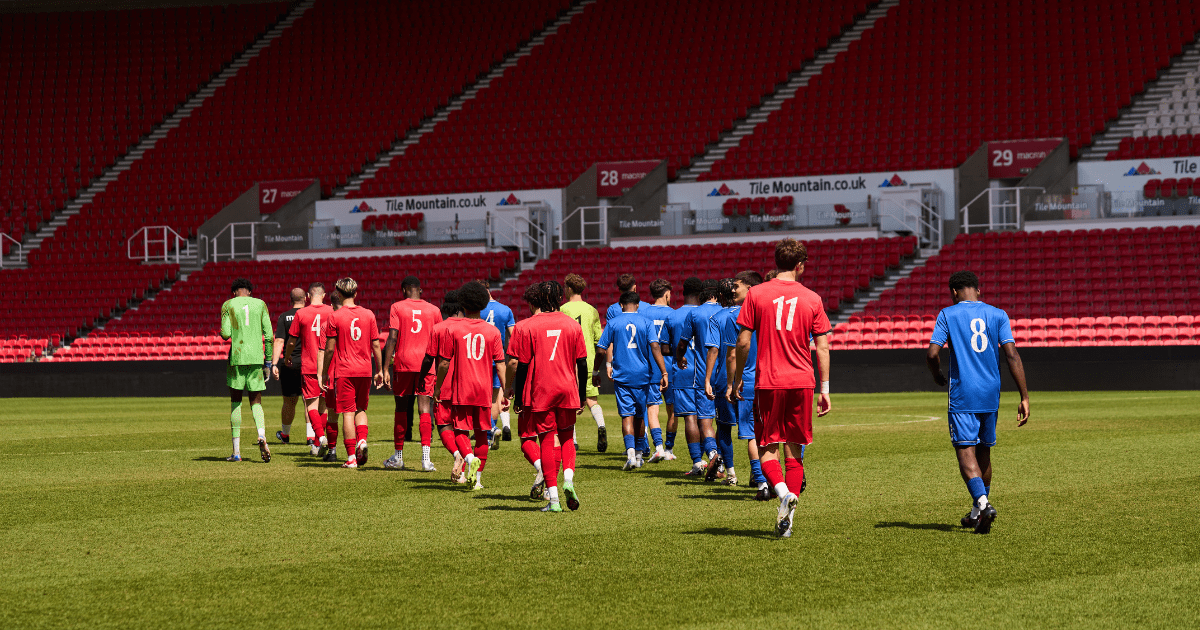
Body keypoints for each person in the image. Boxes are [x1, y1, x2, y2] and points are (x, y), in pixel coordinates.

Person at [732, 239, 832, 538]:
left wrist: (738, 377)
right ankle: (788, 513)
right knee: (795, 451)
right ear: (801, 265)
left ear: (775, 262)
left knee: (766, 448)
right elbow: (823, 347)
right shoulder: (812, 298)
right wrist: (824, 389)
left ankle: (782, 492)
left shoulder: (757, 294)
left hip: (768, 382)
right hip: (802, 381)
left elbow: (743, 341)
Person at [926, 270, 1030, 535]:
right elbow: (1012, 356)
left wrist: (938, 376)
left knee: (965, 450)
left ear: (953, 292)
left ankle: (984, 505)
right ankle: (976, 512)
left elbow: (932, 353)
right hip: (990, 393)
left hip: (964, 393)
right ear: (978, 291)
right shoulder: (998, 314)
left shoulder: (948, 314)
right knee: (984, 451)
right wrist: (1024, 396)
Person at [508, 281, 588, 513]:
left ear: (538, 299)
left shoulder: (526, 326)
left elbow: (522, 365)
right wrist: (581, 394)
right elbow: (581, 363)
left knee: (545, 439)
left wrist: (519, 398)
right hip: (567, 388)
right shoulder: (572, 325)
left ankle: (553, 500)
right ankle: (569, 481)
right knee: (566, 438)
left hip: (541, 390)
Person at [434, 282, 506, 491]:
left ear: (463, 304)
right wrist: (505, 390)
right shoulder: (492, 331)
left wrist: (438, 388)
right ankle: (478, 480)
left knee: (460, 431)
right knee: (483, 433)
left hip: (462, 389)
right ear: (483, 303)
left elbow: (445, 363)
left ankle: (468, 457)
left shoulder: (454, 329)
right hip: (483, 390)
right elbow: (500, 365)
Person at [598, 291, 669, 470]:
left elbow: (601, 349)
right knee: (639, 415)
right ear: (637, 305)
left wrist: (594, 370)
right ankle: (638, 453)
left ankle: (631, 453)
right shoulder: (646, 322)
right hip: (643, 376)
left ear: (621, 305)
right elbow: (655, 347)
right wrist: (664, 372)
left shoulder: (613, 323)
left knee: (627, 416)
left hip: (622, 376)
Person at [319, 277, 383, 469]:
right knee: (361, 410)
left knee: (347, 413)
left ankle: (351, 458)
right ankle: (362, 441)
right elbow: (376, 344)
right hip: (365, 369)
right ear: (356, 293)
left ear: (338, 294)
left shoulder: (335, 316)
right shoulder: (369, 314)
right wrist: (380, 370)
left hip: (345, 370)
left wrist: (323, 372)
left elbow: (329, 349)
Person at [382, 276, 442, 471]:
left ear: (404, 290)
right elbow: (440, 341)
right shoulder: (434, 310)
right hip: (427, 363)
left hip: (404, 363)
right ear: (420, 290)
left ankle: (398, 457)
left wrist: (384, 368)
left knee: (401, 409)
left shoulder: (397, 307)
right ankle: (426, 459)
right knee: (425, 408)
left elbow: (392, 337)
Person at [220, 278, 274, 463]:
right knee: (256, 401)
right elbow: (269, 336)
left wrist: (224, 331)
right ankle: (262, 435)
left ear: (234, 292)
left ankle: (236, 452)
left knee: (236, 402)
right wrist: (268, 362)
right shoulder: (261, 304)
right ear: (249, 291)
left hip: (237, 357)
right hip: (256, 359)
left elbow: (226, 333)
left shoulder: (228, 304)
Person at [505, 283, 551, 500]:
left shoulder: (523, 326)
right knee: (553, 438)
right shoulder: (562, 324)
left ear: (532, 304)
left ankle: (542, 468)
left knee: (527, 438)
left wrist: (509, 387)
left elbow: (514, 362)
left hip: (533, 389)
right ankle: (553, 487)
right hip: (558, 387)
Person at [284, 283, 335, 458]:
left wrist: (287, 356)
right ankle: (316, 445)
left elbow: (291, 341)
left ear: (307, 295)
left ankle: (320, 438)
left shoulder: (301, 313)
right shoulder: (331, 311)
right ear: (325, 294)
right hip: (328, 366)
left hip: (309, 365)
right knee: (323, 407)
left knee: (310, 406)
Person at [422, 291, 468, 481]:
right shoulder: (470, 327)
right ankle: (465, 465)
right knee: (463, 428)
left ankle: (457, 455)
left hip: (445, 383)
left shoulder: (438, 328)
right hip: (467, 384)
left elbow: (429, 358)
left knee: (443, 425)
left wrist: (422, 379)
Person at [559, 273, 607, 452]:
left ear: (569, 288)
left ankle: (573, 439)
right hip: (588, 359)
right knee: (592, 400)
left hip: (568, 361)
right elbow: (598, 338)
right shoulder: (591, 310)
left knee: (570, 402)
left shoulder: (562, 310)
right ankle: (601, 425)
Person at [665, 277, 706, 474]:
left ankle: (697, 462)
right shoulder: (706, 314)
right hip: (705, 370)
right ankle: (714, 457)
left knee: (690, 417)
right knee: (706, 418)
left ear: (682, 293)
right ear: (701, 294)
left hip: (682, 371)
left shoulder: (673, 316)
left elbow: (665, 347)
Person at [684, 279, 724, 480]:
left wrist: (678, 356)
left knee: (705, 421)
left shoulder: (695, 313)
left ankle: (713, 455)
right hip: (727, 374)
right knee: (724, 423)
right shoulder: (728, 312)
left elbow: (684, 342)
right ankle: (727, 465)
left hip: (703, 375)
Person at [703, 279, 740, 484]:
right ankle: (759, 475)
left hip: (724, 378)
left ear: (718, 296)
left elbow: (714, 349)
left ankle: (731, 474)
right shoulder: (750, 314)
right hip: (750, 378)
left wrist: (707, 379)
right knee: (753, 429)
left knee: (724, 427)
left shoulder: (717, 318)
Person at [273, 287, 314, 449]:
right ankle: (311, 437)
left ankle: (285, 435)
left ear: (290, 300)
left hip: (290, 364)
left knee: (289, 402)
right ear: (306, 298)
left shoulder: (284, 316)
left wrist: (274, 363)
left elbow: (279, 341)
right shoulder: (311, 314)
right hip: (309, 363)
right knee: (308, 401)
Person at [641, 279, 677, 460]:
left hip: (651, 368)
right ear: (667, 294)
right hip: (670, 367)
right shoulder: (673, 313)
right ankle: (669, 449)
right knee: (672, 410)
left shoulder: (644, 313)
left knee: (652, 409)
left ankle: (659, 447)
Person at [478, 279, 515, 446]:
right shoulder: (505, 310)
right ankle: (490, 435)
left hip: (478, 359)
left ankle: (490, 429)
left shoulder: (476, 310)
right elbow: (513, 337)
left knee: (479, 398)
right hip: (498, 358)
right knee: (494, 399)